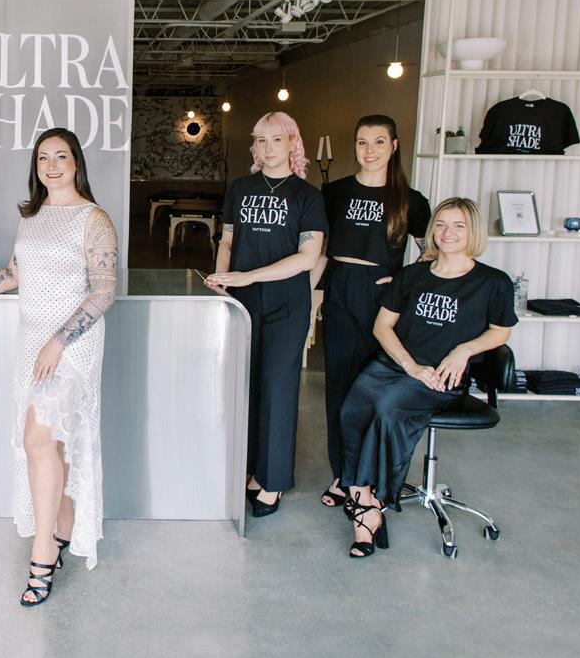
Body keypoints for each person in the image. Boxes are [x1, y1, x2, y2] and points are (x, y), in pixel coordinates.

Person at [0, 127, 118, 606]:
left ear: (77, 163)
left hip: (71, 346)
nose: (51, 166)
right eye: (42, 158)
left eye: (61, 157)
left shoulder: (95, 219)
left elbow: (103, 293)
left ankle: (44, 549)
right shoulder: (30, 217)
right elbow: (14, 274)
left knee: (38, 437)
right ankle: (63, 525)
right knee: (51, 442)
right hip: (30, 341)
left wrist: (58, 342)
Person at [338, 197, 516, 557]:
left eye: (459, 226)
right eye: (441, 224)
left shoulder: (492, 282)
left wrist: (464, 350)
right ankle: (362, 495)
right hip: (398, 365)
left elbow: (501, 331)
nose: (448, 233)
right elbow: (382, 327)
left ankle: (371, 509)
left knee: (388, 409)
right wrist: (409, 366)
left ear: (473, 232)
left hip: (441, 374)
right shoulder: (412, 275)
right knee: (352, 410)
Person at [205, 112, 326, 518]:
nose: (267, 147)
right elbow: (227, 240)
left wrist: (248, 275)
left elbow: (307, 257)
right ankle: (249, 468)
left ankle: (272, 481)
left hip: (286, 304)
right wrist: (222, 280)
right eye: (260, 140)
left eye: (276, 139)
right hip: (241, 301)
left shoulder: (307, 196)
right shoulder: (240, 188)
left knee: (276, 387)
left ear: (293, 143)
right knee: (244, 385)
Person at [311, 115, 430, 509]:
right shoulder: (334, 192)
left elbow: (431, 254)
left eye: (379, 142)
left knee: (373, 389)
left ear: (394, 146)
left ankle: (367, 478)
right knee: (339, 388)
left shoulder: (411, 200)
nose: (370, 150)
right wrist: (308, 296)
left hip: (383, 296)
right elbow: (320, 250)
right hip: (340, 287)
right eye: (362, 142)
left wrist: (404, 282)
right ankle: (343, 476)